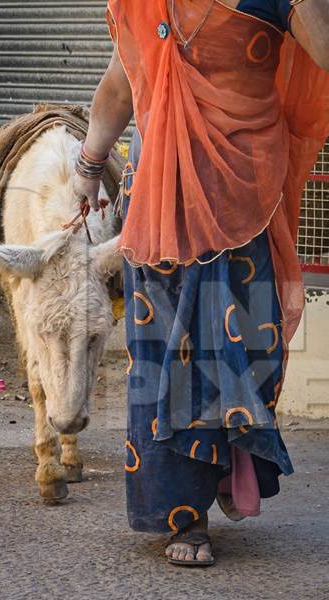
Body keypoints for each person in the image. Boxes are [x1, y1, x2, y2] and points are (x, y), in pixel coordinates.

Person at [73, 0, 329, 567]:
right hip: (161, 202)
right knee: (169, 358)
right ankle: (183, 518)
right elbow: (120, 85)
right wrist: (90, 165)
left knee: (247, 347)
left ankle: (228, 463)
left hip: (245, 199)